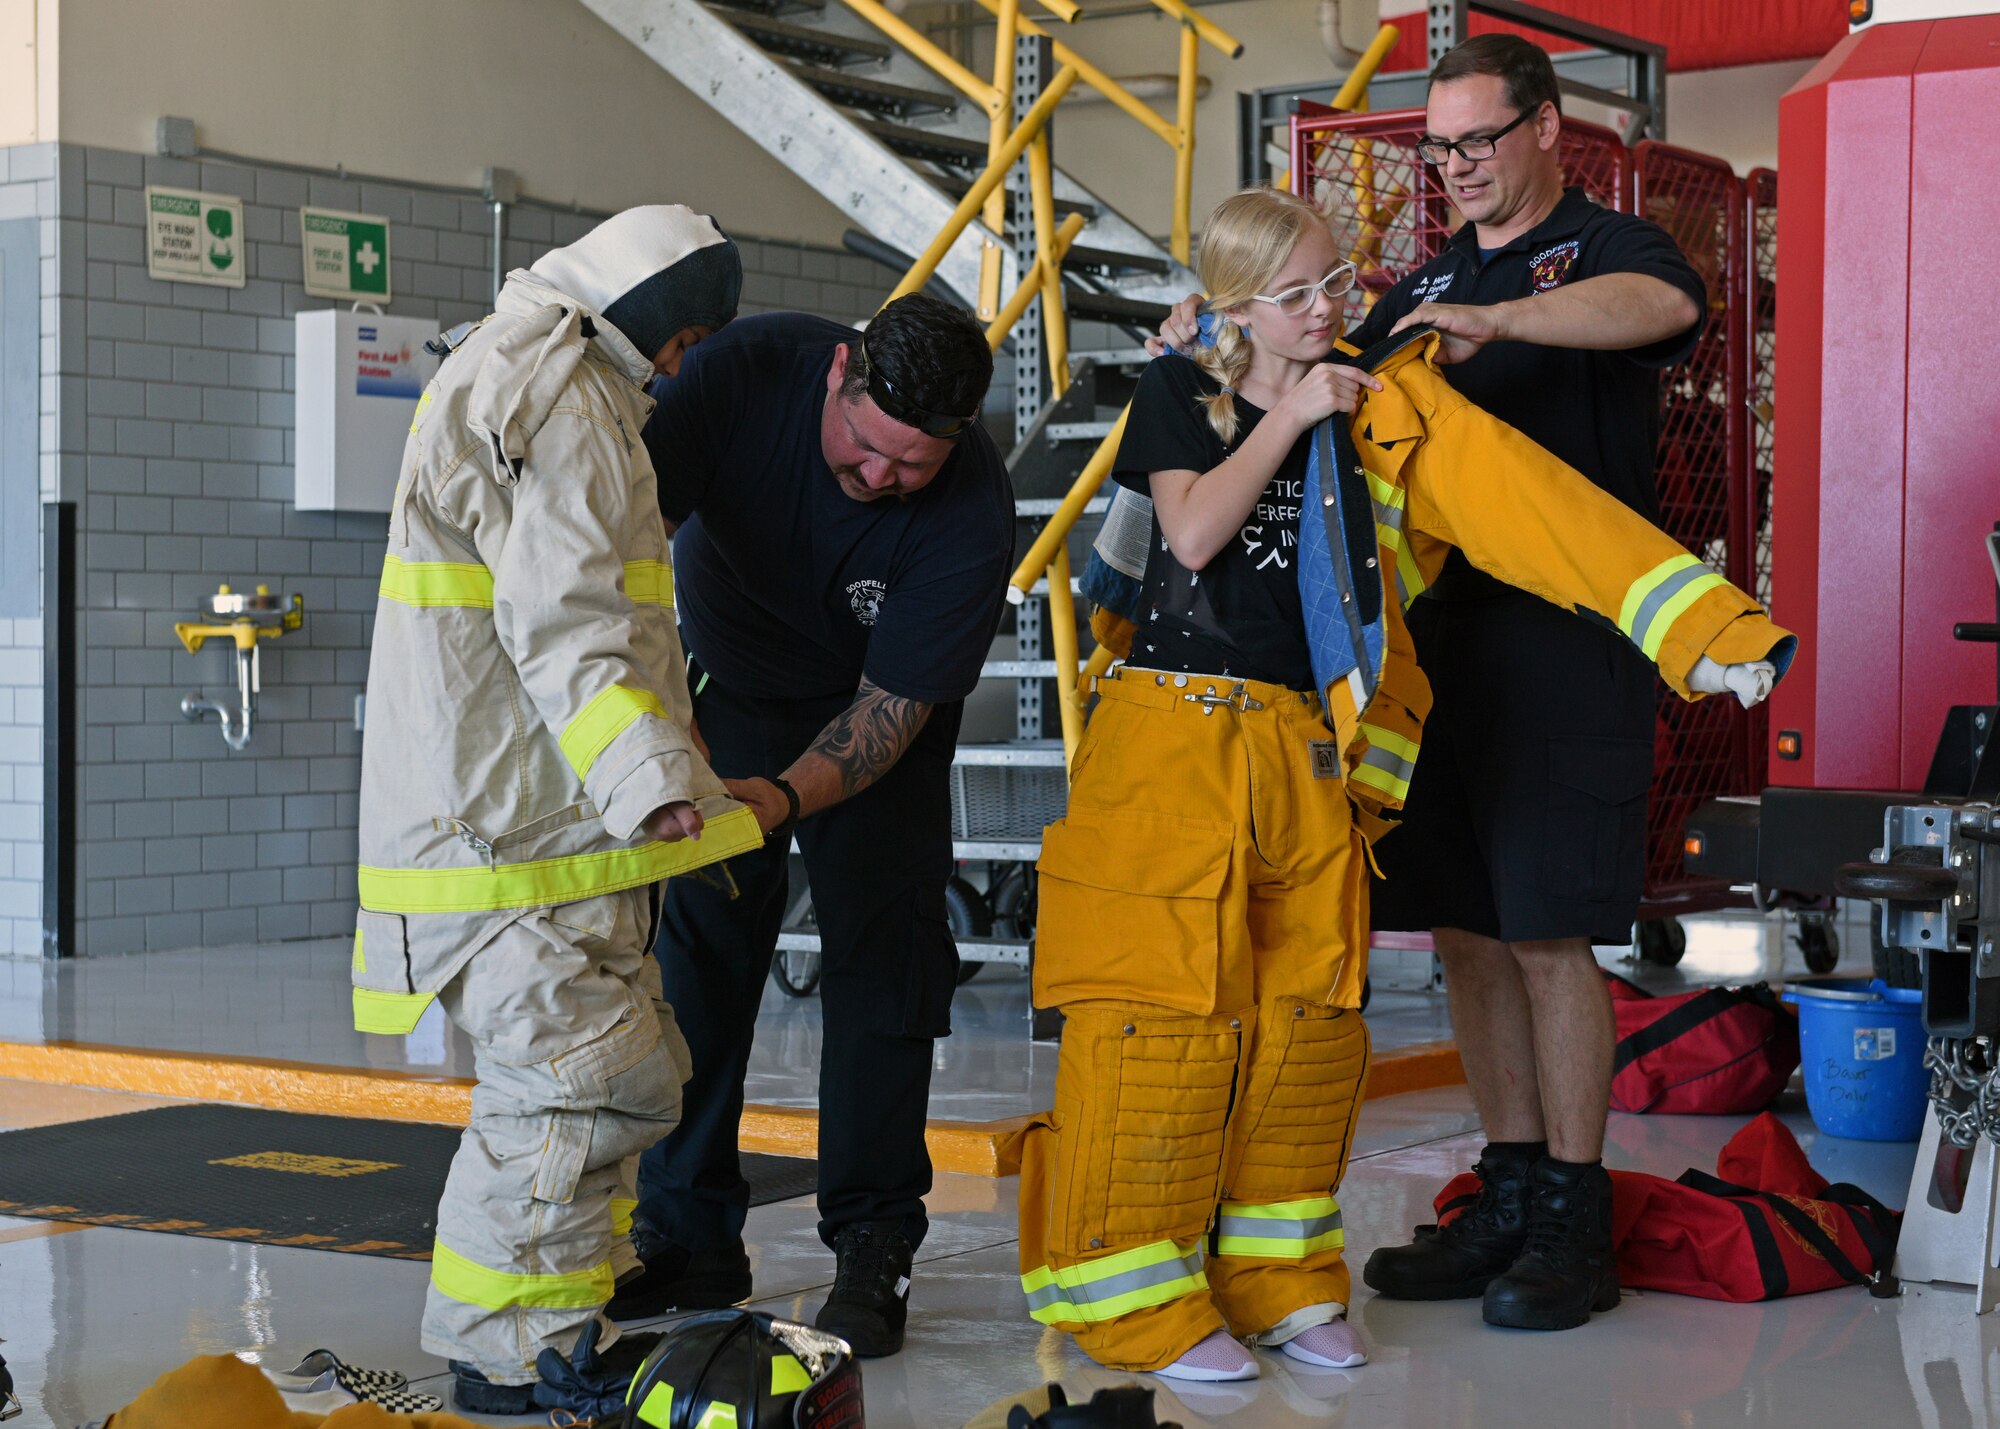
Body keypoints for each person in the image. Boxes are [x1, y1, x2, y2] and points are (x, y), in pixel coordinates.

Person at [1030, 184, 1789, 1382]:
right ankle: (1139, 1297)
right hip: (1166, 746)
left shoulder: (1383, 403)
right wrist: (1291, 417)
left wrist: (1703, 628)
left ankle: (1276, 1279)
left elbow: (1535, 510)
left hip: (1300, 751)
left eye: (1339, 281)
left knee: (1305, 1033)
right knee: (1159, 1023)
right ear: (1233, 309)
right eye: (1298, 295)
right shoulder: (1181, 392)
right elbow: (1187, 538)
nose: (1332, 308)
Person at [1151, 34, 1716, 1333]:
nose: (1455, 166)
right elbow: (1296, 376)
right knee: (1462, 927)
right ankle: (1509, 1192)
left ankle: (1577, 1217)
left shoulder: (1609, 254)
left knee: (1547, 933)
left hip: (1569, 652)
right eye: (1439, 146)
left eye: (1476, 140)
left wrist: (1500, 316)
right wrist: (1210, 336)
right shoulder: (1414, 286)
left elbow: (1667, 314)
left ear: (1546, 130)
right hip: (1430, 656)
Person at [353, 205, 761, 1416]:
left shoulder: (548, 378)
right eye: (686, 337)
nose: (684, 366)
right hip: (511, 837)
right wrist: (647, 781)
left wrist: (660, 775)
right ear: (648, 315)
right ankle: (503, 1354)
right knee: (572, 1084)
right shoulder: (559, 399)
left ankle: (553, 1331)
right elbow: (569, 624)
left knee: (609, 1077)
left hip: (545, 829)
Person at [611, 294, 1015, 1358]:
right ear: (838, 374)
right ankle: (687, 1232)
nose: (880, 478)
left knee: (885, 974)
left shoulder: (972, 508)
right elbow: (622, 544)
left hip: (869, 717)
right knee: (700, 965)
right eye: (866, 448)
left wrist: (783, 795)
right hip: (723, 691)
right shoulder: (740, 374)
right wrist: (672, 721)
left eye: (909, 467)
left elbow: (887, 713)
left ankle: (872, 1245)